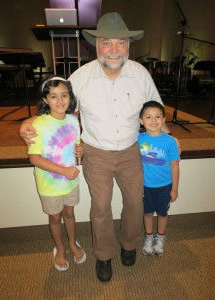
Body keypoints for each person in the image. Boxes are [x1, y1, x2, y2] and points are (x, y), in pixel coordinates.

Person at [20, 12, 171, 282]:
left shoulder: (140, 74)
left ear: (128, 45)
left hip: (130, 151)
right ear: (96, 45)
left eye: (120, 43)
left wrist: (169, 141)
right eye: (107, 43)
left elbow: (155, 112)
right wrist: (28, 122)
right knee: (101, 206)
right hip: (96, 152)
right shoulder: (80, 77)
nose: (114, 50)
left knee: (135, 202)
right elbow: (58, 106)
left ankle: (128, 244)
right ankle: (103, 255)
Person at [28, 76, 86, 271]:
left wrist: (80, 150)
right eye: (53, 96)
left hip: (70, 182)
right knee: (55, 218)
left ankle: (72, 243)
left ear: (70, 97)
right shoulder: (38, 124)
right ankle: (59, 247)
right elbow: (34, 158)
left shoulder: (73, 120)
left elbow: (77, 144)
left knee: (69, 214)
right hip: (50, 184)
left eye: (64, 95)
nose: (60, 101)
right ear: (45, 100)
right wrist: (63, 171)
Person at [138, 101, 180, 256]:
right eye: (148, 117)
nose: (153, 121)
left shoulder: (170, 141)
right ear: (141, 121)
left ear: (163, 120)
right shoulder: (138, 140)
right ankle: (149, 237)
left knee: (162, 213)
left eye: (157, 117)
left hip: (165, 186)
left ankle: (160, 237)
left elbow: (175, 166)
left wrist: (174, 188)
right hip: (145, 186)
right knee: (147, 213)